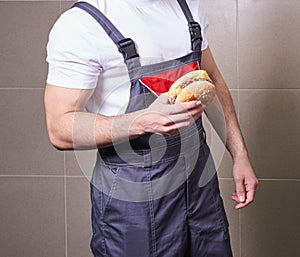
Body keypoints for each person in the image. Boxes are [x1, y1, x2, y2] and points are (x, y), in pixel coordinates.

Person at [44, 0, 258, 256]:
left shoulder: (188, 7)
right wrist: (142, 121)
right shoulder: (82, 23)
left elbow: (210, 79)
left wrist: (240, 155)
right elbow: (59, 127)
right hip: (133, 198)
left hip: (199, 183)